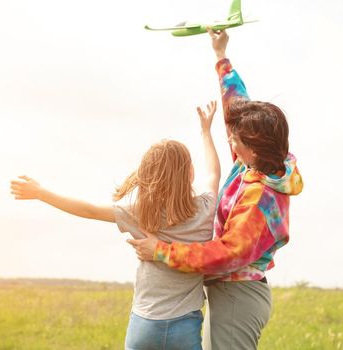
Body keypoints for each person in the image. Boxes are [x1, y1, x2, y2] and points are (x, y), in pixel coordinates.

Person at [127, 29, 304, 350]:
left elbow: (227, 254)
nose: (229, 141)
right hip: (231, 294)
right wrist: (221, 56)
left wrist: (161, 250)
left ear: (254, 146)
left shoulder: (262, 198)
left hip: (239, 297)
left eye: (235, 140)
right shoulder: (254, 162)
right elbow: (237, 104)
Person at [10, 101, 220, 350]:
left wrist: (41, 193)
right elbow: (214, 173)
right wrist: (206, 132)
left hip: (145, 324)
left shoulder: (142, 213)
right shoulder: (206, 209)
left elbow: (88, 210)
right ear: (190, 174)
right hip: (185, 325)